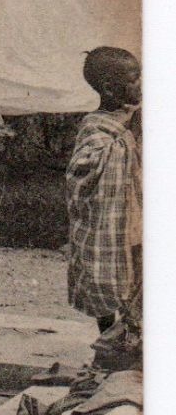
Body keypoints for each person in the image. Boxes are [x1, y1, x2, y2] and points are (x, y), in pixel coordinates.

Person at [67, 47, 142, 332]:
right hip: (109, 218)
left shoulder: (136, 118)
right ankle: (108, 341)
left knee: (137, 278)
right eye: (134, 79)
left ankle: (131, 341)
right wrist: (126, 135)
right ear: (110, 89)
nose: (140, 85)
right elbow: (83, 170)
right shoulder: (95, 125)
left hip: (135, 213)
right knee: (107, 277)